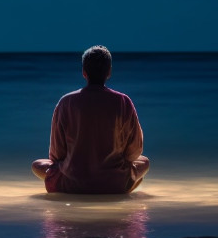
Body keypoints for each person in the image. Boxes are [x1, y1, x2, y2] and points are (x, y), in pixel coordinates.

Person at [32, 45, 150, 194]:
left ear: (84, 72)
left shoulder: (66, 102)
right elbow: (134, 152)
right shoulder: (123, 101)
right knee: (144, 162)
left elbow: (57, 155)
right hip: (114, 183)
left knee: (37, 165)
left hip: (72, 183)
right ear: (109, 72)